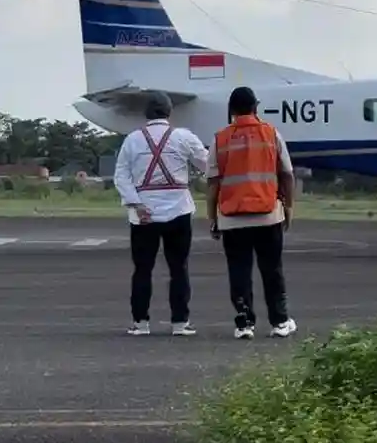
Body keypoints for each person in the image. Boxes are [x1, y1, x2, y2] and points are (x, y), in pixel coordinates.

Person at [113, 91, 210, 337]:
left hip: (143, 213)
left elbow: (121, 176)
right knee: (179, 268)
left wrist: (135, 203)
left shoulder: (132, 140)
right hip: (179, 209)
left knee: (142, 269)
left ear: (146, 114)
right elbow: (208, 165)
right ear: (170, 112)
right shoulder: (184, 137)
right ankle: (180, 323)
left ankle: (141, 323)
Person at [206, 86, 298, 340]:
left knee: (239, 270)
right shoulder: (271, 134)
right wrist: (288, 207)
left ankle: (244, 324)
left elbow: (213, 182)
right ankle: (280, 322)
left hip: (232, 217)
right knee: (272, 269)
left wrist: (212, 217)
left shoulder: (220, 139)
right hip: (268, 214)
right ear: (255, 107)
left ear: (231, 110)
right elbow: (287, 174)